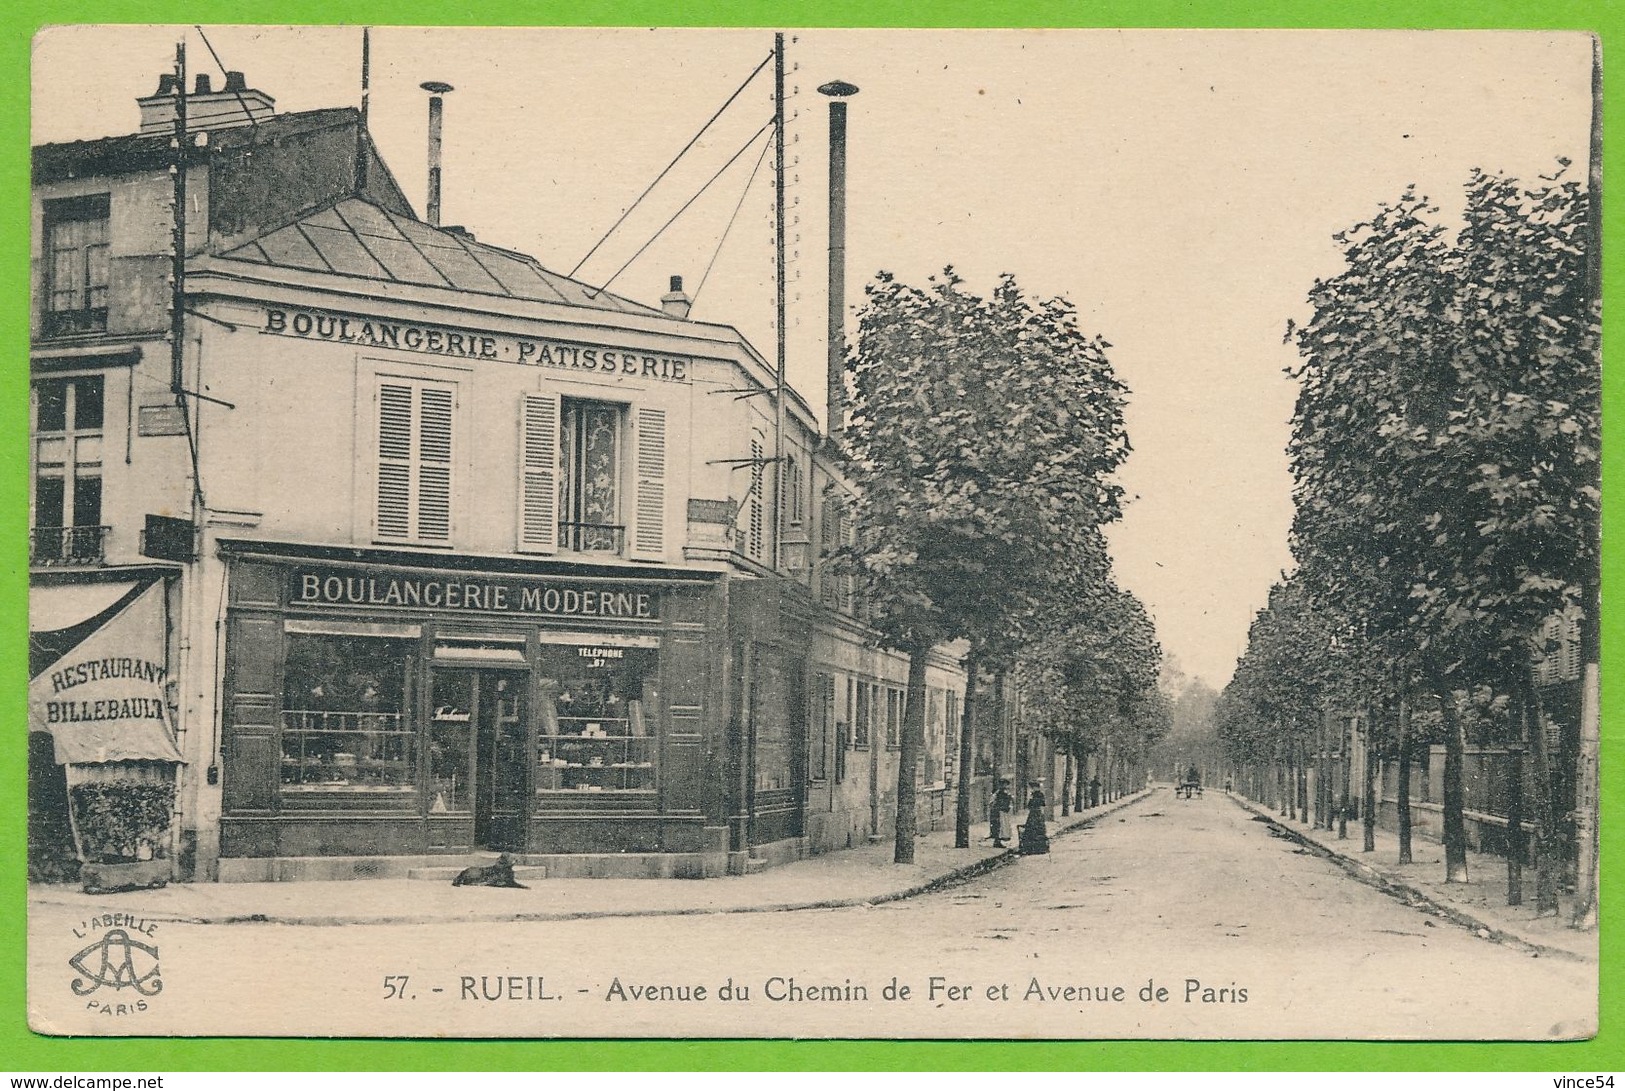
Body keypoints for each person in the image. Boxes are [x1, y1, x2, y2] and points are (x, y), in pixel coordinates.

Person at [1019, 783, 1050, 855]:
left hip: (1035, 814)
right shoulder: (1035, 795)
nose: (1032, 789)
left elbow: (1037, 804)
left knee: (1034, 830)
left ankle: (1035, 848)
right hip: (1035, 814)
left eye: (1033, 787)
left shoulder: (1038, 795)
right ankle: (1036, 848)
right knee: (1034, 830)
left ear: (1037, 787)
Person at [988, 779, 1014, 847]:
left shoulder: (1002, 792)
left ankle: (998, 841)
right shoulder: (1000, 793)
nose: (1005, 786)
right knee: (1000, 826)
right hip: (1000, 812)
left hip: (1002, 811)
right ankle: (997, 841)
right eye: (1003, 784)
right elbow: (998, 802)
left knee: (1001, 826)